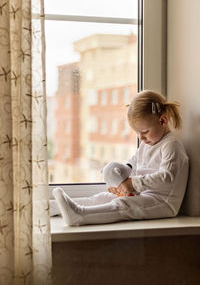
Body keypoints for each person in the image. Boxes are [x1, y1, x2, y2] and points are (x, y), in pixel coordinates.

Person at [53, 90, 189, 226]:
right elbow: (133, 164)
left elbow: (167, 177)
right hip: (143, 194)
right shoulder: (147, 144)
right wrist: (119, 182)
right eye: (137, 133)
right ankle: (51, 207)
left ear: (163, 121)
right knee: (104, 197)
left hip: (162, 202)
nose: (141, 138)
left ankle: (80, 215)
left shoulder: (171, 145)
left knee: (124, 204)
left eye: (144, 132)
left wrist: (133, 184)